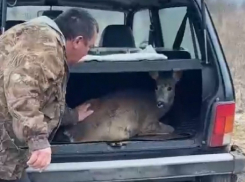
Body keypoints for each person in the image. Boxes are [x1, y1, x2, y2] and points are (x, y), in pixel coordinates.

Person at [0, 8, 98, 181]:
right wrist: (38, 140)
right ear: (77, 41)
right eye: (89, 47)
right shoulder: (45, 45)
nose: (87, 54)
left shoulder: (41, 40)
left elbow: (45, 100)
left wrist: (73, 115)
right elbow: (22, 91)